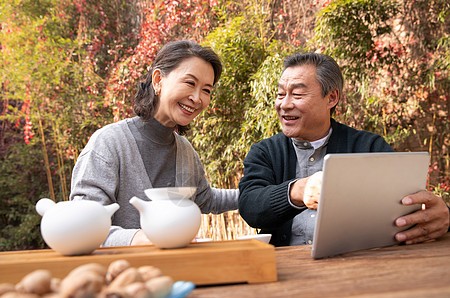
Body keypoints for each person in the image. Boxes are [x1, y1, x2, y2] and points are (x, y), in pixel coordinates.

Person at [238, 52, 450, 247]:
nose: (284, 104)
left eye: (297, 94)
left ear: (331, 98)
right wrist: (298, 191)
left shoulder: (368, 147)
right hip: (284, 270)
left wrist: (443, 216)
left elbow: (407, 205)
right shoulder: (265, 152)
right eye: (280, 94)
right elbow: (250, 206)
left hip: (355, 263)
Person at [70, 40, 238, 247]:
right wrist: (139, 239)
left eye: (206, 90)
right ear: (158, 80)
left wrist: (271, 191)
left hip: (176, 273)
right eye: (190, 83)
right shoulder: (108, 143)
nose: (197, 98)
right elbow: (85, 225)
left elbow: (205, 199)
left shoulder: (185, 150)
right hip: (119, 274)